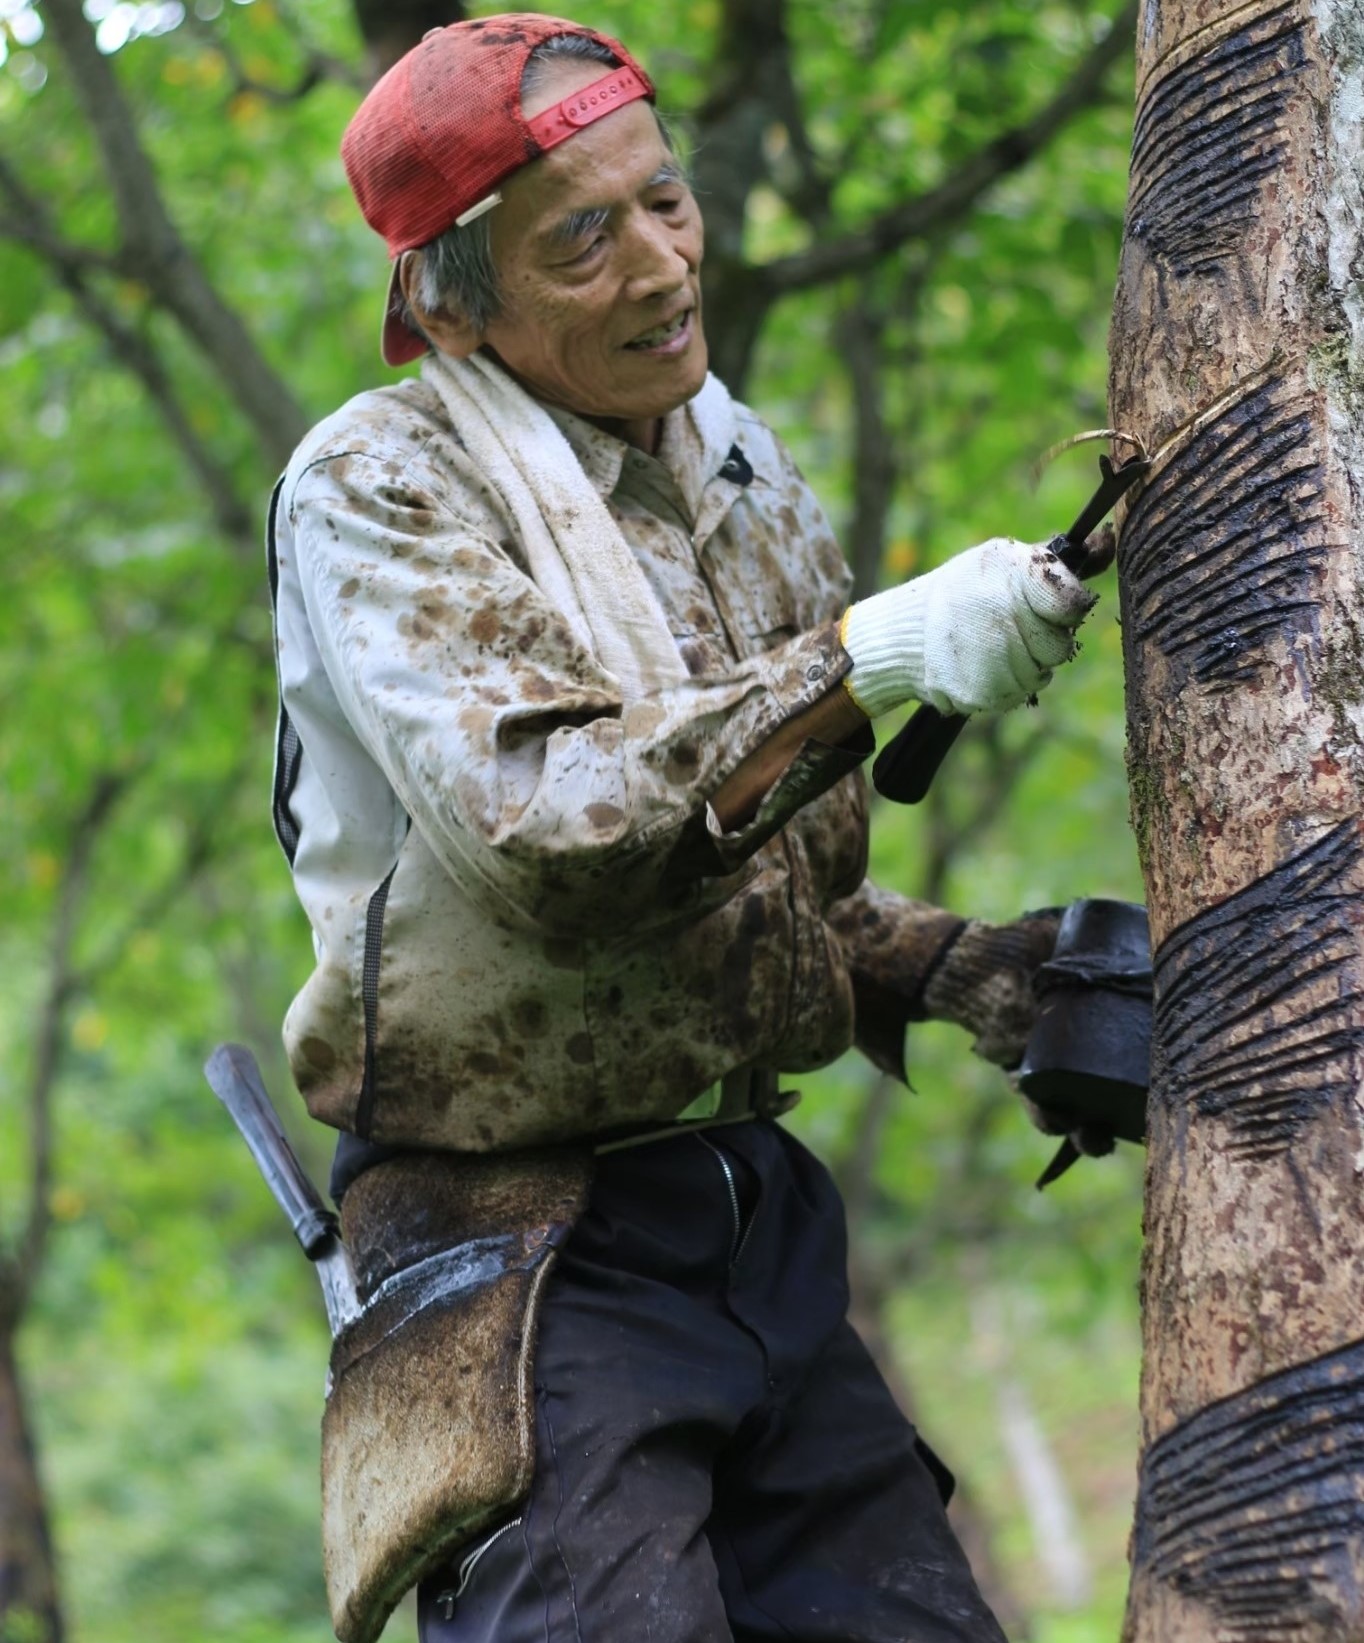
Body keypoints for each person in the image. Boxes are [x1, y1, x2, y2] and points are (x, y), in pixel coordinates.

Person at [267, 15, 1099, 1643]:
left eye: (665, 199)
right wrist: (874, 657)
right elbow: (554, 838)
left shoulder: (739, 466)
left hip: (757, 1210)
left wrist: (969, 975)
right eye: (582, 238)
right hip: (520, 1254)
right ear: (453, 302)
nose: (662, 264)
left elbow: (768, 867)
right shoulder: (379, 485)